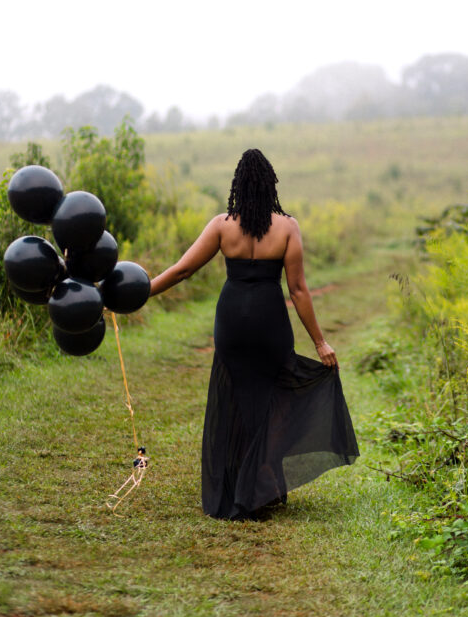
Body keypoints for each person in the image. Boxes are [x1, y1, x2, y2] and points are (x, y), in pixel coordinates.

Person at [148, 148, 359, 520]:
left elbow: (181, 271)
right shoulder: (287, 227)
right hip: (269, 323)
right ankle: (262, 483)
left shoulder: (221, 225)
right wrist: (321, 342)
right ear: (270, 185)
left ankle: (237, 485)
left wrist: (143, 291)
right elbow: (297, 290)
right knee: (273, 398)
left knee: (236, 398)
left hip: (230, 323)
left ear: (238, 187)